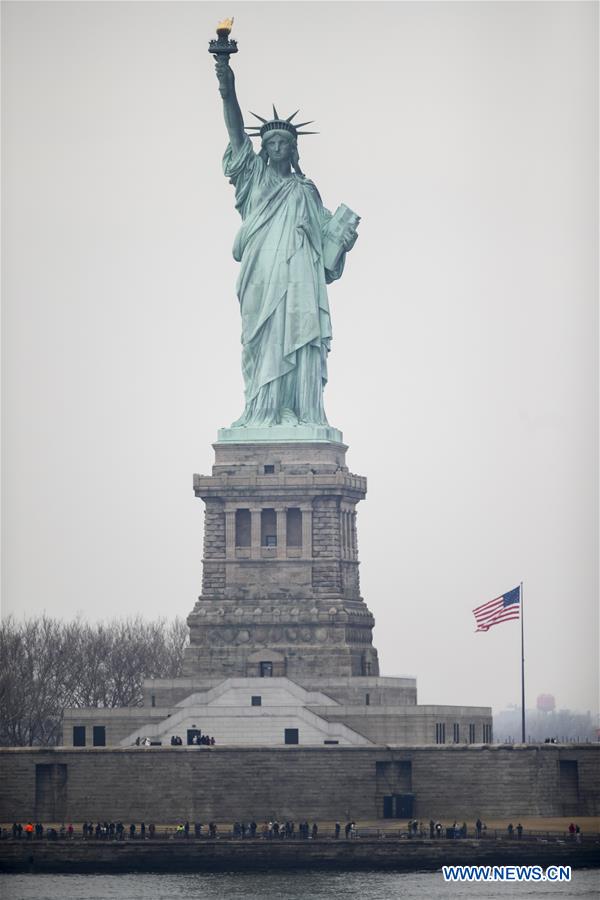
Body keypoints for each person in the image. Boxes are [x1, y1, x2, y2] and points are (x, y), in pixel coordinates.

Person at [213, 53, 359, 431]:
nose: (277, 147)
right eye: (271, 141)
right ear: (263, 149)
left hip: (299, 281)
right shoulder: (253, 179)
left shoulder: (305, 190)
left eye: (284, 142)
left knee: (297, 335)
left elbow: (327, 245)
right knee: (261, 341)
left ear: (294, 150)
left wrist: (343, 239)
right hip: (262, 275)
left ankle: (296, 410)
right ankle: (261, 410)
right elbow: (234, 128)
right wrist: (225, 81)